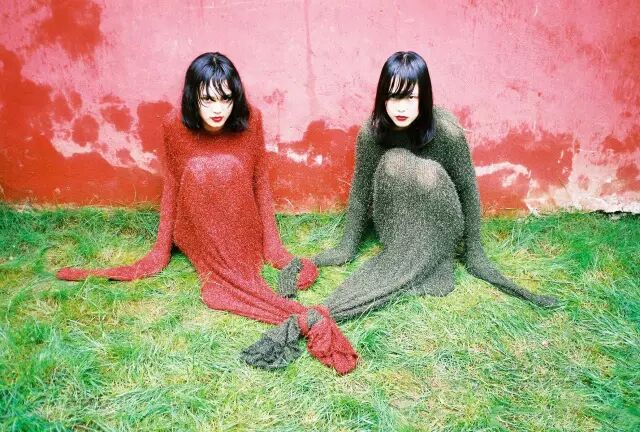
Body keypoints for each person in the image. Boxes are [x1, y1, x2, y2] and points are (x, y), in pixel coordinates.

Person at [242, 51, 558, 371]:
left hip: (439, 222)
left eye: (410, 97)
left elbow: (466, 189)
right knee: (394, 161)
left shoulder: (447, 132)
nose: (401, 107)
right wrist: (346, 247)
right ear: (382, 97)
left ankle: (432, 259)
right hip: (397, 225)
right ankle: (408, 255)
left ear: (425, 97)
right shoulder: (372, 133)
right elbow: (362, 190)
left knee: (423, 170)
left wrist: (475, 252)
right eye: (393, 97)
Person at [56, 52, 358, 375]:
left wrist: (273, 246)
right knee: (202, 169)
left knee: (225, 167)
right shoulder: (174, 125)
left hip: (240, 222)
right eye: (208, 99)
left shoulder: (251, 120)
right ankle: (220, 268)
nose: (218, 109)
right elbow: (173, 183)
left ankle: (238, 266)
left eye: (226, 99)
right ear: (193, 96)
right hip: (197, 226)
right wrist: (160, 248)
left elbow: (259, 181)